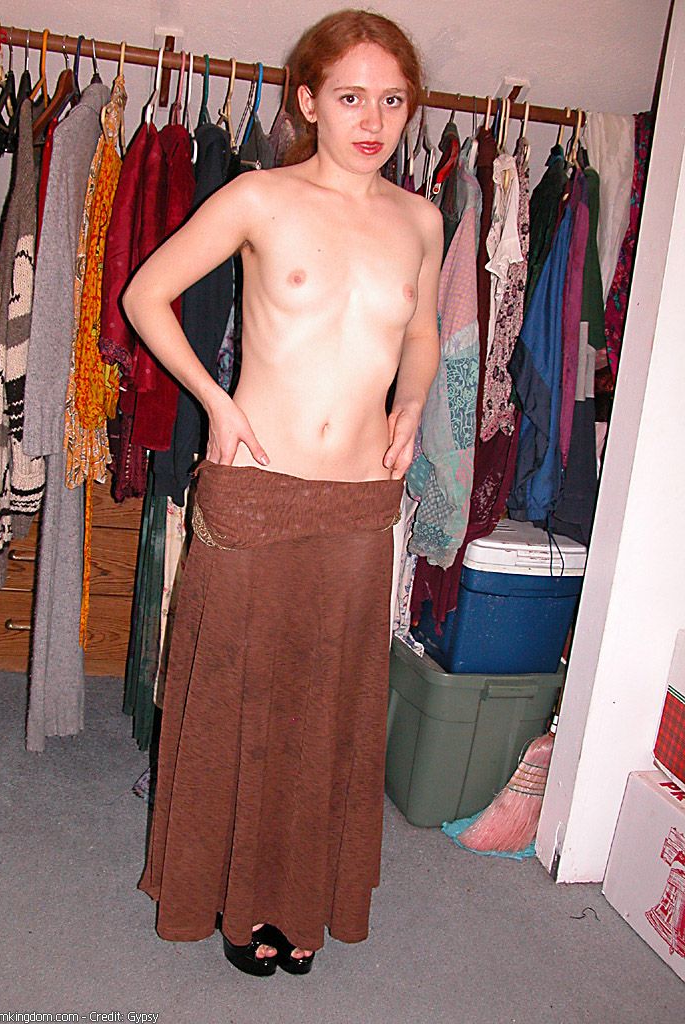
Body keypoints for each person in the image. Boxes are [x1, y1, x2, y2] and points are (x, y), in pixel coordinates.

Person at [123, 8, 442, 977]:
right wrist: (215, 401)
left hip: (358, 506)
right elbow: (145, 294)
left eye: (393, 100)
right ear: (307, 101)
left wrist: (412, 404)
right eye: (350, 97)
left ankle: (300, 897)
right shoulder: (259, 196)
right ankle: (230, 897)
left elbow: (421, 332)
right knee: (239, 703)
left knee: (326, 713)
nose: (372, 120)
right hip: (257, 492)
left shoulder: (421, 220)